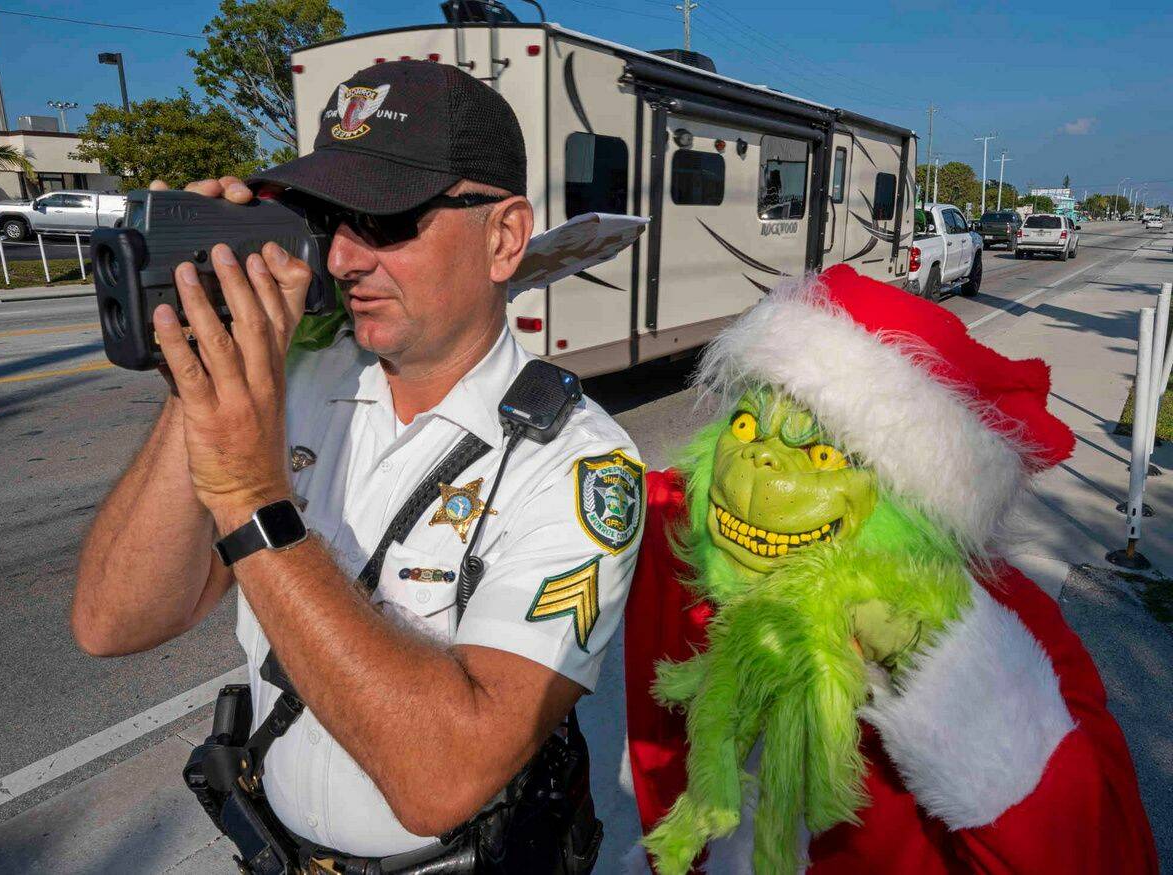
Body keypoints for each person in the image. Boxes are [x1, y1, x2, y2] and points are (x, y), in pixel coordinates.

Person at [71, 60, 644, 871]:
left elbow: (441, 777)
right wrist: (200, 376)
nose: (341, 256)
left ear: (504, 236)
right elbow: (113, 622)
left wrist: (250, 497)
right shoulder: (292, 383)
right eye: (329, 214)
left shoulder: (580, 462)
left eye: (386, 218)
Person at [623, 266, 1156, 874]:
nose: (760, 465)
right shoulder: (679, 531)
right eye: (746, 425)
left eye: (824, 453)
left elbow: (1104, 854)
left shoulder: (1007, 624)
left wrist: (942, 663)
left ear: (912, 501)